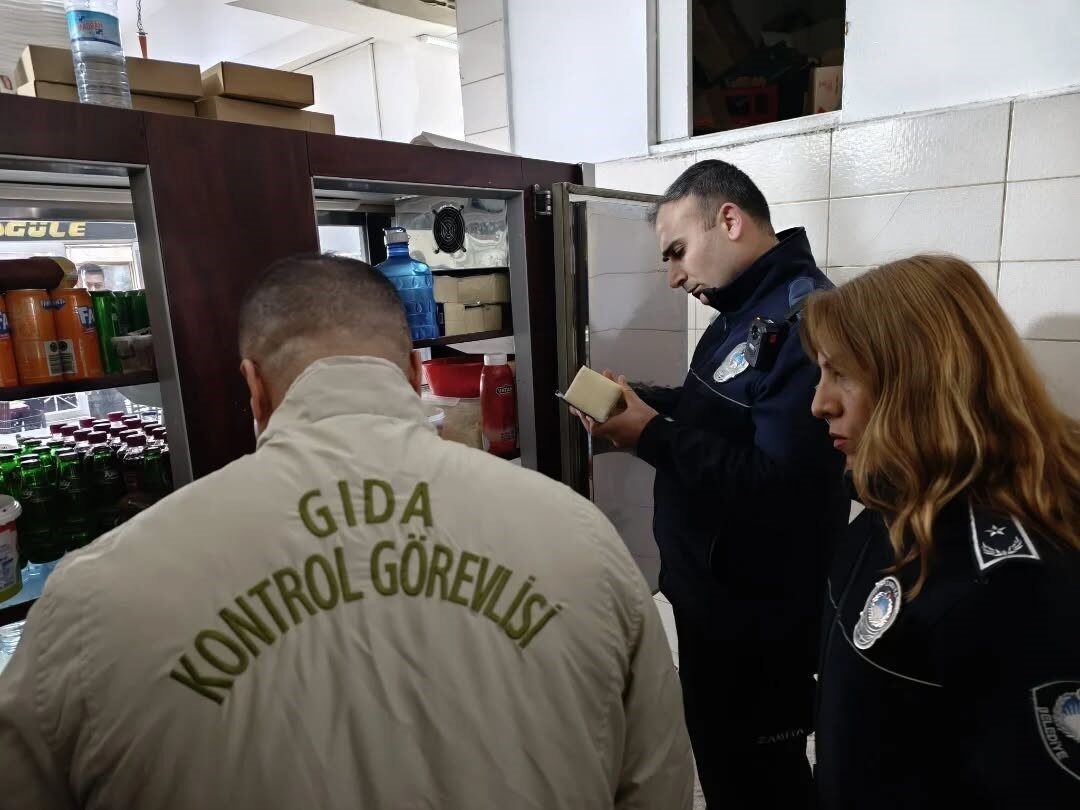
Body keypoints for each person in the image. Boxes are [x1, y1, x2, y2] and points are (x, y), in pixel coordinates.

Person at [0, 254, 694, 810]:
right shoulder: (580, 536)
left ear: (254, 387)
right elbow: (656, 783)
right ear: (417, 371)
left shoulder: (97, 595)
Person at [580, 160, 848, 807]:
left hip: (760, 624)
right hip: (713, 605)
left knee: (761, 781)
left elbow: (781, 483)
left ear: (728, 220)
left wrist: (648, 435)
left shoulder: (804, 319)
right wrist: (640, 401)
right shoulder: (741, 310)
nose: (674, 277)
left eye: (677, 252)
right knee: (729, 770)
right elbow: (717, 414)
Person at [806, 254, 1080, 809]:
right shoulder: (889, 512)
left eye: (841, 374)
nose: (819, 403)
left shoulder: (1011, 578)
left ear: (919, 382)